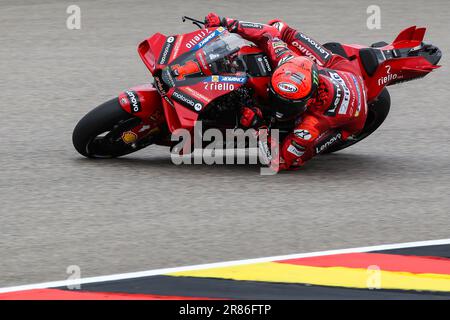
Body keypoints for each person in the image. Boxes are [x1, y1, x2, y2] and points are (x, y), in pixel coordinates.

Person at [204, 13, 368, 171]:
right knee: (279, 27)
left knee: (295, 159)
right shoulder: (285, 58)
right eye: (276, 98)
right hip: (342, 70)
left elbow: (278, 162)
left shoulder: (312, 124)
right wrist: (227, 22)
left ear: (308, 101)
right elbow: (268, 33)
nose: (277, 106)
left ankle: (310, 148)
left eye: (286, 105)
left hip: (354, 118)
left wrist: (258, 126)